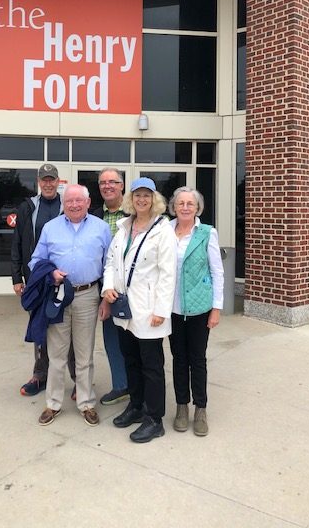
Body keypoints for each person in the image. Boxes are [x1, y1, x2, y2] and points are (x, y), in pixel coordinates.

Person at [29, 184, 111, 427]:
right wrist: (51, 273)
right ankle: (53, 403)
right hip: (58, 295)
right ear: (63, 204)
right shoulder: (50, 228)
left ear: (88, 203)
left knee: (85, 355)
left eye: (79, 200)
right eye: (69, 201)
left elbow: (110, 264)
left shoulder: (102, 228)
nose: (74, 205)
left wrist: (105, 298)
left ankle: (86, 403)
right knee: (56, 355)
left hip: (88, 295)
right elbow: (36, 261)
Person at [102, 178, 177, 443]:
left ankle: (155, 419)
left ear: (154, 199)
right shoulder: (124, 228)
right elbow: (111, 262)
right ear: (130, 199)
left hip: (149, 311)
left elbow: (168, 274)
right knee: (131, 360)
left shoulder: (163, 230)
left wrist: (161, 311)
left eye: (147, 195)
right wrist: (107, 287)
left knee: (152, 366)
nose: (141, 200)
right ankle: (136, 406)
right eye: (137, 195)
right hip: (125, 309)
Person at [11, 163, 75, 397]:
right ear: (39, 182)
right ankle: (40, 375)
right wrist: (17, 276)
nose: (48, 184)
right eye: (44, 179)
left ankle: (78, 379)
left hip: (63, 279)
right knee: (40, 327)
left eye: (52, 179)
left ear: (58, 181)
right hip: (37, 279)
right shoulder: (27, 207)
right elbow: (17, 243)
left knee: (69, 330)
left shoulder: (68, 206)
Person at [168, 186, 224, 436]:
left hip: (200, 308)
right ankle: (182, 407)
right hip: (173, 308)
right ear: (174, 207)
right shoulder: (165, 230)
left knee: (197, 359)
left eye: (190, 203)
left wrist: (216, 308)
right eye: (181, 203)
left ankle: (200, 408)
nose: (185, 207)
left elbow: (217, 272)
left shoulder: (207, 232)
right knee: (179, 359)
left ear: (197, 207)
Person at [94, 167, 129, 406]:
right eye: (103, 183)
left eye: (113, 182)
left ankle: (141, 391)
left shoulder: (136, 212)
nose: (107, 186)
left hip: (133, 289)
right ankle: (121, 386)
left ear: (122, 186)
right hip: (105, 287)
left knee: (137, 342)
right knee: (112, 341)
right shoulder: (94, 216)